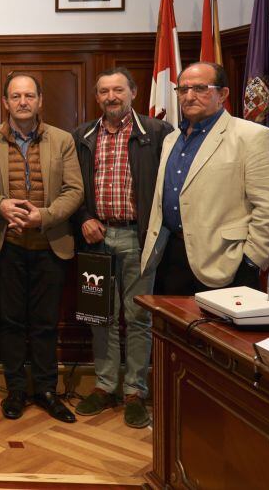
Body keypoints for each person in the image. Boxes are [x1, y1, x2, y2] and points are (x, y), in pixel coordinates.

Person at [71, 67, 172, 428]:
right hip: (95, 238)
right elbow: (72, 186)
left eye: (118, 90)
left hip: (138, 239)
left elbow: (169, 188)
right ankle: (104, 386)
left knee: (138, 317)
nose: (111, 97)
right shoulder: (83, 135)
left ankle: (135, 392)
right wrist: (83, 217)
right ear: (96, 96)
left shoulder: (157, 133)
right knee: (100, 316)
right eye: (104, 91)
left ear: (133, 92)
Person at [142, 62, 269, 294]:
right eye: (183, 89)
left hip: (225, 262)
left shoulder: (252, 136)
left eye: (200, 88)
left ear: (222, 94)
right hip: (171, 257)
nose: (189, 96)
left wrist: (251, 259)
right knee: (172, 319)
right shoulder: (171, 139)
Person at [0, 72, 83, 423]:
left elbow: (74, 190)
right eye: (16, 96)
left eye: (29, 96)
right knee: (10, 321)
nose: (23, 102)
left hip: (49, 245)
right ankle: (15, 390)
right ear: (5, 102)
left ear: (40, 101)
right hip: (6, 245)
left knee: (45, 323)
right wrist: (0, 205)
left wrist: (43, 216)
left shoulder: (62, 139)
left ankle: (46, 390)